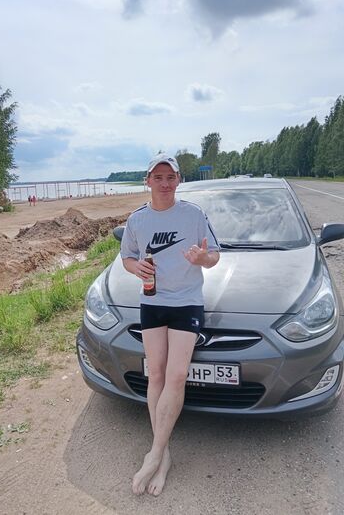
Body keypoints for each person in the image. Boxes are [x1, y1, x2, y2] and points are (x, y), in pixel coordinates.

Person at [120, 153, 220, 496]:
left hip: (186, 302)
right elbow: (127, 257)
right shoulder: (137, 219)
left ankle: (154, 454)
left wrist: (203, 258)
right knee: (156, 376)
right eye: (158, 177)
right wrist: (135, 268)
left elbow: (214, 256)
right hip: (152, 302)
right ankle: (163, 456)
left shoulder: (193, 215)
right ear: (147, 181)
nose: (165, 183)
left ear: (179, 180)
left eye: (171, 177)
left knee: (176, 376)